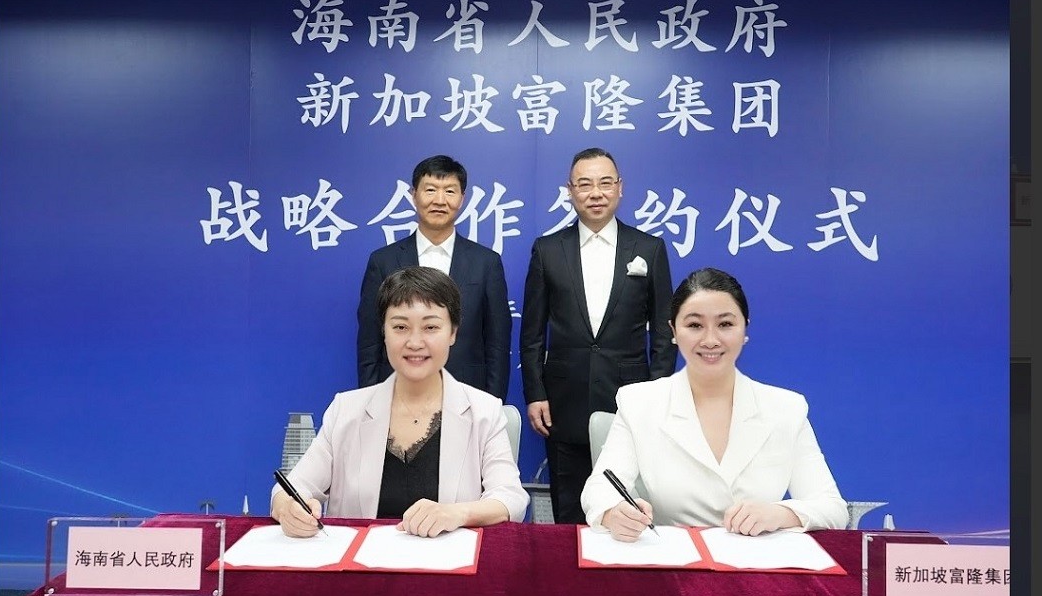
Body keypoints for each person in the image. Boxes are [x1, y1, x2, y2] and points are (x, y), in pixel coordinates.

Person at [582, 267, 848, 540]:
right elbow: (599, 489)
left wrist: (779, 514)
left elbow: (832, 507)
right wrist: (614, 513)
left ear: (744, 329)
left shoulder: (786, 408)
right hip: (676, 557)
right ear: (673, 330)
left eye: (725, 324)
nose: (710, 340)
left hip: (759, 558)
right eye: (695, 325)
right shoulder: (639, 403)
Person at [273, 266, 528, 537]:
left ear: (453, 332)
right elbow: (291, 488)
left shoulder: (484, 410)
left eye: (431, 327)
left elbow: (510, 497)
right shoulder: (345, 409)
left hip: (447, 562)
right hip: (360, 561)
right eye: (400, 327)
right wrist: (289, 508)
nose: (415, 342)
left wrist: (458, 513)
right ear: (384, 331)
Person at [520, 147, 675, 523]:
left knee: (628, 507)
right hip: (564, 399)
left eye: (605, 183)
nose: (595, 193)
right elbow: (532, 332)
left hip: (629, 398)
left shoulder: (649, 249)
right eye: (584, 184)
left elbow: (664, 333)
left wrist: (656, 395)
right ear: (570, 191)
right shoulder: (548, 250)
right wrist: (535, 392)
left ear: (620, 188)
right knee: (569, 510)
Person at [357, 155, 512, 401]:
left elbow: (497, 344)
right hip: (398, 394)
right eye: (430, 190)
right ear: (414, 195)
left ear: (462, 199)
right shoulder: (383, 261)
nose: (440, 200)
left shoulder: (486, 262)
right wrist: (371, 401)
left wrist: (494, 403)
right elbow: (370, 342)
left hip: (467, 394)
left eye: (450, 191)